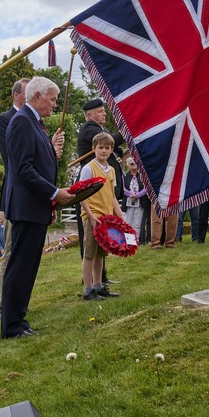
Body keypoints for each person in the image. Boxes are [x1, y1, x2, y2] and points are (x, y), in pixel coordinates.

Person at [1, 76, 72, 338]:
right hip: (24, 207)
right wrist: (54, 192)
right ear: (37, 96)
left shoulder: (36, 124)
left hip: (35, 207)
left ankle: (19, 318)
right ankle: (10, 326)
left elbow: (41, 163)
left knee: (28, 268)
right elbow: (23, 169)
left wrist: (50, 201)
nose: (55, 104)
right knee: (19, 267)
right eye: (52, 99)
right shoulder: (21, 121)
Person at [76, 99, 124, 282]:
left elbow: (115, 147)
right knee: (90, 245)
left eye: (104, 111)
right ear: (89, 115)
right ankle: (88, 282)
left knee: (102, 245)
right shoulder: (89, 128)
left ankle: (100, 279)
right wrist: (128, 130)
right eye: (100, 111)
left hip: (104, 194)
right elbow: (111, 141)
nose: (104, 114)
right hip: (91, 194)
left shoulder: (101, 131)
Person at [0, 78, 30, 306]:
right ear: (16, 95)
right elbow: (13, 161)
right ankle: (5, 305)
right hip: (16, 194)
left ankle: (19, 302)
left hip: (31, 196)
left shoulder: (36, 122)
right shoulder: (5, 120)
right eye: (29, 92)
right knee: (10, 251)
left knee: (25, 254)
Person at [79, 133, 125, 300]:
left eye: (107, 148)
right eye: (100, 147)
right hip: (93, 216)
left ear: (112, 150)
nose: (104, 151)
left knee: (101, 254)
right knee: (90, 253)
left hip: (106, 218)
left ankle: (99, 286)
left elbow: (112, 196)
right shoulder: (88, 168)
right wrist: (90, 216)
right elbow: (81, 194)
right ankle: (87, 289)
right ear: (93, 149)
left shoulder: (111, 170)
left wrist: (119, 215)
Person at [121, 157, 150, 243]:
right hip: (128, 202)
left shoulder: (143, 176)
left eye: (136, 163)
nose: (134, 166)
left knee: (138, 223)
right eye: (132, 164)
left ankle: (136, 241)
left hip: (140, 202)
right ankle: (128, 241)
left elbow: (146, 187)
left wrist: (138, 195)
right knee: (128, 222)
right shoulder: (125, 176)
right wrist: (131, 195)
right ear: (128, 165)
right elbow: (123, 188)